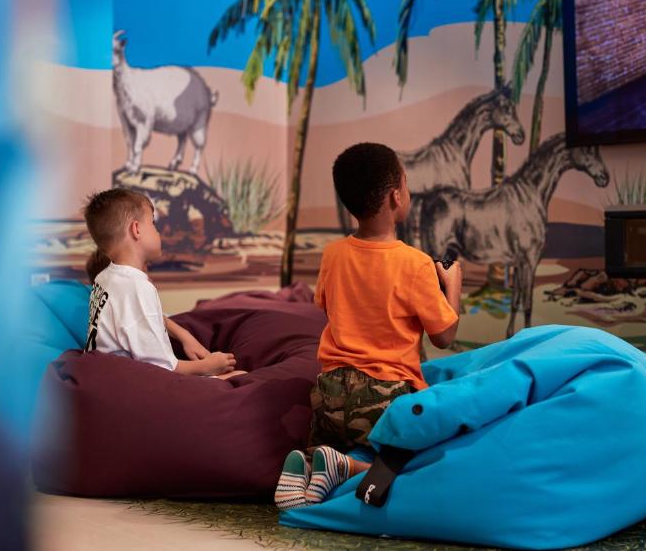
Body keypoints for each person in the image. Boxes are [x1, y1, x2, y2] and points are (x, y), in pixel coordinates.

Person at [275, 143, 463, 510]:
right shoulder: (415, 263)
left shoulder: (333, 254)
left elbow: (328, 306)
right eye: (406, 185)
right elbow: (444, 336)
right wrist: (452, 286)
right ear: (396, 197)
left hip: (329, 394)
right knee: (425, 458)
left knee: (332, 439)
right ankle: (348, 467)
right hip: (384, 397)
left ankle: (306, 466)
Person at [82, 188, 240, 378]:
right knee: (242, 376)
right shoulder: (137, 288)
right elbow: (161, 369)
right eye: (153, 223)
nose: (158, 232)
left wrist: (184, 335)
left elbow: (138, 316)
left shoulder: (104, 278)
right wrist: (208, 366)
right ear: (136, 229)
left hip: (104, 375)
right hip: (131, 383)